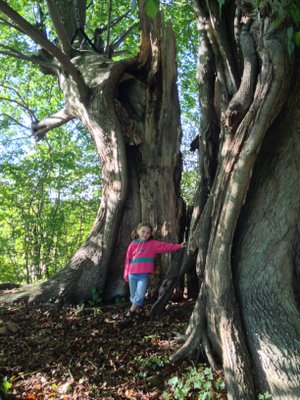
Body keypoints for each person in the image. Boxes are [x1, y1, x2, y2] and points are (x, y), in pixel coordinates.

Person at [123, 222, 185, 319]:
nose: (145, 234)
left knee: (139, 295)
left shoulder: (152, 244)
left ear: (150, 234)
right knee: (133, 295)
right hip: (131, 274)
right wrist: (126, 273)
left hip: (143, 275)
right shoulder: (133, 244)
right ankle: (137, 311)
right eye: (143, 231)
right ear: (138, 231)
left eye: (148, 233)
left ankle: (130, 312)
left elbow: (165, 246)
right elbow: (128, 259)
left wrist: (178, 246)